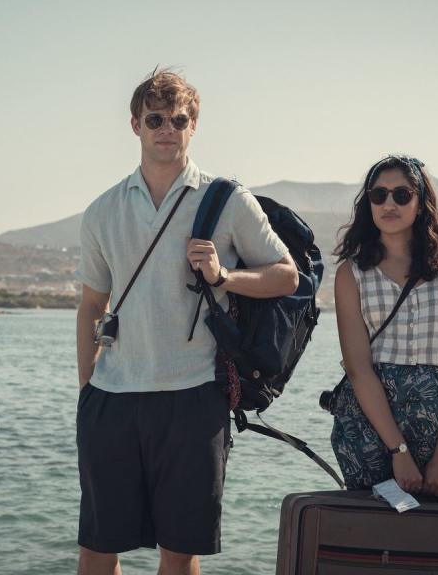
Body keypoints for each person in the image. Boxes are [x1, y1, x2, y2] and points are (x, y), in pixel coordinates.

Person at [74, 69, 298, 575]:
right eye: (155, 119)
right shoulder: (102, 211)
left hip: (194, 396)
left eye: (180, 119)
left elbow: (286, 276)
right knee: (96, 549)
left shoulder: (226, 199)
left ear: (193, 126)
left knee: (179, 552)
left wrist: (225, 275)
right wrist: (87, 387)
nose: (167, 129)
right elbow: (92, 305)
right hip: (111, 399)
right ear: (135, 124)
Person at [330, 154, 438, 500]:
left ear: (421, 203)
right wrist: (399, 451)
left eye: (402, 195)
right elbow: (358, 368)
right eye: (378, 196)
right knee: (376, 531)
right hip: (370, 428)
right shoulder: (351, 274)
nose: (388, 203)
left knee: (436, 537)